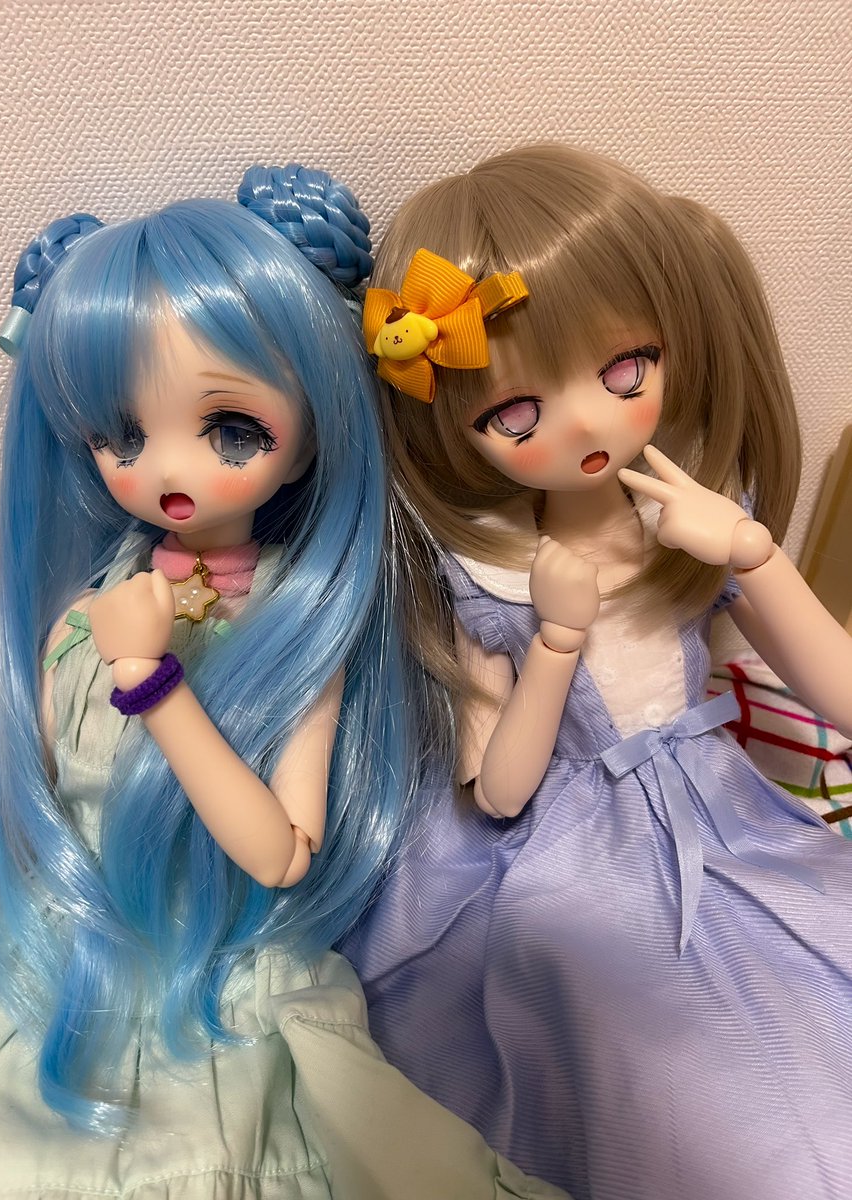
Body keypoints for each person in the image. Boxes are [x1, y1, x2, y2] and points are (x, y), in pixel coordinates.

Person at [0, 165, 567, 1200]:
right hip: (62, 965)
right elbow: (19, 812)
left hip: (223, 985)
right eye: (121, 436)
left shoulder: (298, 623)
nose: (166, 473)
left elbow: (281, 853)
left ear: (313, 429)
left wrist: (155, 685)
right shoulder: (75, 624)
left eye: (231, 429)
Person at [342, 142, 852, 1200]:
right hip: (565, 852)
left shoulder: (695, 525)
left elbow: (839, 694)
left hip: (723, 811)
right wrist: (555, 644)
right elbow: (498, 793)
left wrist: (753, 556)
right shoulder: (484, 576)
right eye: (514, 413)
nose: (584, 422)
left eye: (625, 371)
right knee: (659, 1074)